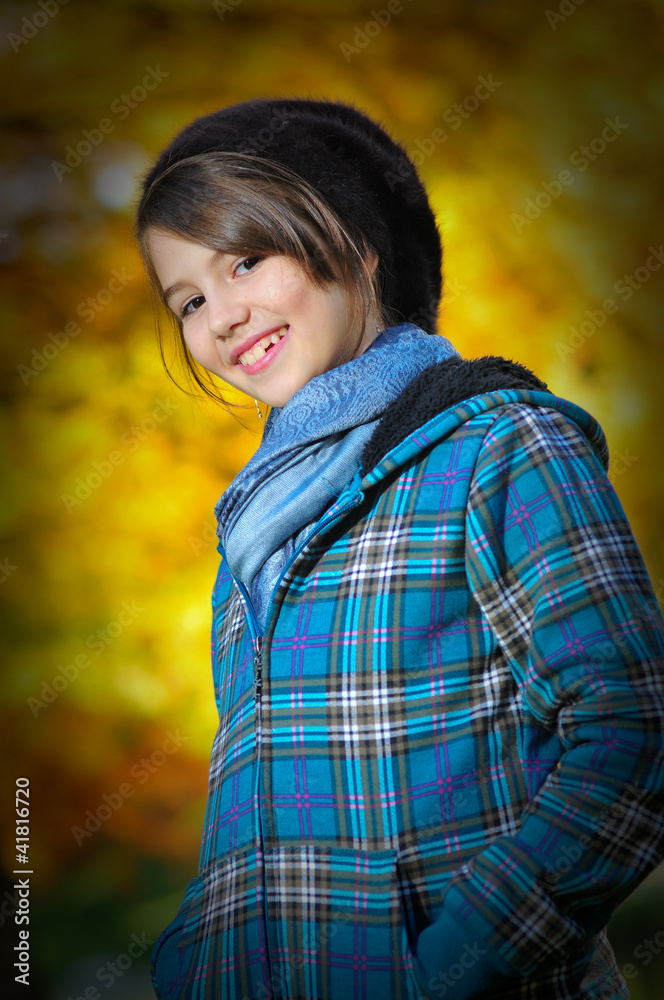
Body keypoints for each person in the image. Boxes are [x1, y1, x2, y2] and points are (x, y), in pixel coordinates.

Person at [135, 97, 664, 1000]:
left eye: (247, 261)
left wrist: (462, 958)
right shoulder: (252, 535)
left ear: (357, 243)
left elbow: (633, 725)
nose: (220, 316)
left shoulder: (497, 449)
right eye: (188, 299)